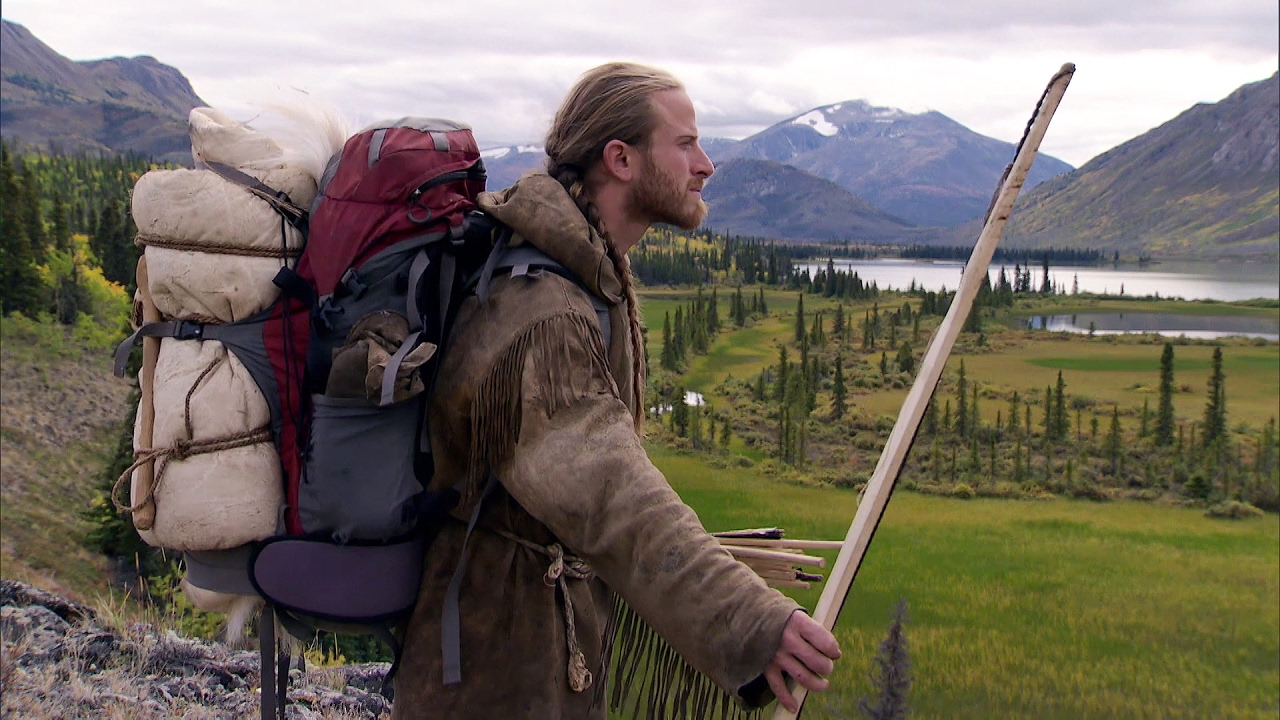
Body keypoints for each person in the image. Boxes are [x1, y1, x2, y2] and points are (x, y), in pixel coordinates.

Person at [392, 62, 840, 719]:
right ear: (621, 159)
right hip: (498, 669)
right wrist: (748, 619)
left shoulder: (583, 274)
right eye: (685, 143)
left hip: (526, 641)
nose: (706, 164)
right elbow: (611, 496)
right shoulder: (543, 313)